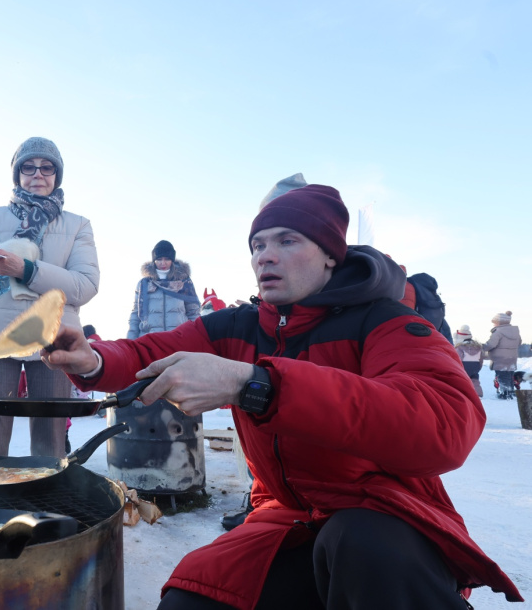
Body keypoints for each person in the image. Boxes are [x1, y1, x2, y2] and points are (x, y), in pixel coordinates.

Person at [41, 184, 521, 608]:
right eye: (257, 245)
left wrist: (256, 385)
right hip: (286, 516)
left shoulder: (386, 320)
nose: (264, 257)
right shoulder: (240, 325)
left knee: (361, 542)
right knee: (190, 601)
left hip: (385, 515)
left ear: (331, 253)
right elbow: (148, 350)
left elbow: (443, 424)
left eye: (287, 240)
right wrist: (94, 360)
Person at [0, 136, 99, 457]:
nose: (37, 174)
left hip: (54, 337)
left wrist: (26, 270)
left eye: (47, 168)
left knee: (51, 440)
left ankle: (46, 502)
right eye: (28, 167)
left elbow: (84, 285)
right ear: (17, 175)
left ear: (57, 175)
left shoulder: (78, 225)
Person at [127, 240, 200, 339]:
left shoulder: (183, 283)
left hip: (178, 340)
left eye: (167, 259)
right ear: (154, 261)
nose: (163, 263)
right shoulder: (144, 284)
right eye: (159, 259)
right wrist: (131, 341)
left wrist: (194, 338)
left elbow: (193, 313)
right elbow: (136, 315)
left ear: (172, 260)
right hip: (149, 341)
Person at [485, 311, 521, 399]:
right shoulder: (515, 332)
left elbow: (491, 344)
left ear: (499, 322)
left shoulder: (498, 332)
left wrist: (482, 347)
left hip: (500, 359)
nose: (494, 324)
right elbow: (519, 342)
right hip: (512, 358)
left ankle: (505, 393)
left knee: (502, 376)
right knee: (509, 376)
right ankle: (511, 391)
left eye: (495, 322)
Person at [454, 325, 484, 398]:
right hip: (475, 366)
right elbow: (481, 359)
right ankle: (478, 393)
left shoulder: (460, 347)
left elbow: (457, 358)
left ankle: (462, 392)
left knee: (462, 380)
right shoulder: (478, 347)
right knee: (474, 380)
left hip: (464, 366)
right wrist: (478, 368)